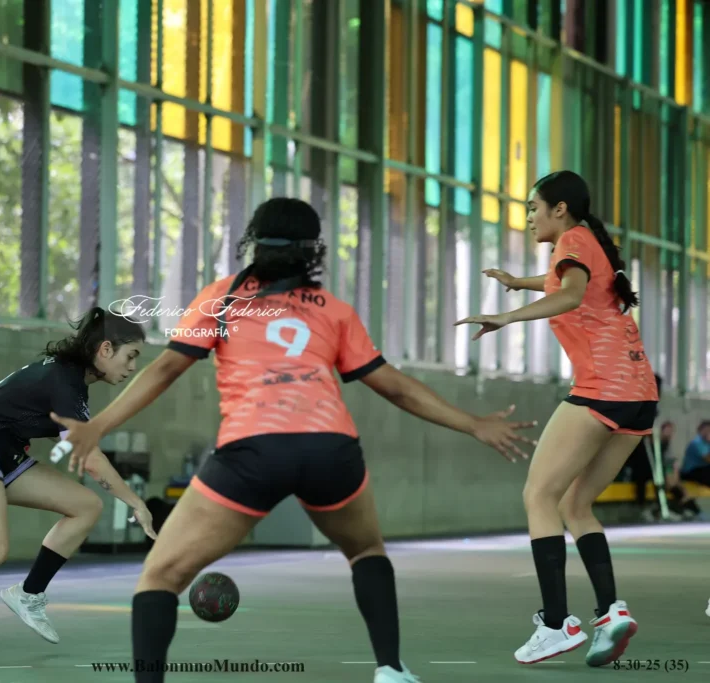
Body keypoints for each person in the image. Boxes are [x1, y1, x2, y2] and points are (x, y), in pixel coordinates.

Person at [52, 198, 537, 683]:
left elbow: (164, 370)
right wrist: (473, 423)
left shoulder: (222, 299)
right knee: (367, 552)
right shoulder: (334, 310)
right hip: (330, 449)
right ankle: (391, 669)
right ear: (314, 251)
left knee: (161, 576)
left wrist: (98, 426)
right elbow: (394, 386)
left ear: (253, 243)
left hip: (253, 451)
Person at [455, 170, 658, 667]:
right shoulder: (589, 242)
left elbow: (570, 294)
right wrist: (517, 283)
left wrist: (506, 317)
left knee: (539, 495)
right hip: (639, 392)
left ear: (559, 209)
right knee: (575, 502)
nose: (529, 217)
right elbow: (573, 285)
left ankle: (555, 624)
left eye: (533, 207)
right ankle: (610, 613)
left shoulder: (571, 240)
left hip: (603, 388)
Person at [0, 308, 158, 666]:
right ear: (105, 349)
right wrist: (135, 502)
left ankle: (28, 593)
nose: (132, 367)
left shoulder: (69, 379)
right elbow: (91, 459)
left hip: (4, 455)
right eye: (130, 356)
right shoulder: (64, 382)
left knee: (86, 506)